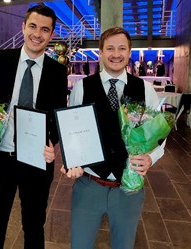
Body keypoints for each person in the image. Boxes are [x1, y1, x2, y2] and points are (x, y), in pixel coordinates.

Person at [0, 5, 68, 249]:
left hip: (37, 162)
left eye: (45, 29)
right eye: (33, 26)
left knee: (34, 229)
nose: (37, 34)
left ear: (51, 35)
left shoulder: (57, 72)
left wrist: (53, 144)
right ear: (23, 27)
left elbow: (56, 116)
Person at [61, 27, 165, 249]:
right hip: (89, 183)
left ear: (129, 53)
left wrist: (151, 158)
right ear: (100, 53)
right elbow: (72, 129)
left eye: (121, 48)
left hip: (128, 185)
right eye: (109, 48)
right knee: (79, 244)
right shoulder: (82, 87)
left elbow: (160, 137)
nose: (115, 54)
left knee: (123, 245)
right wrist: (70, 160)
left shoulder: (145, 89)